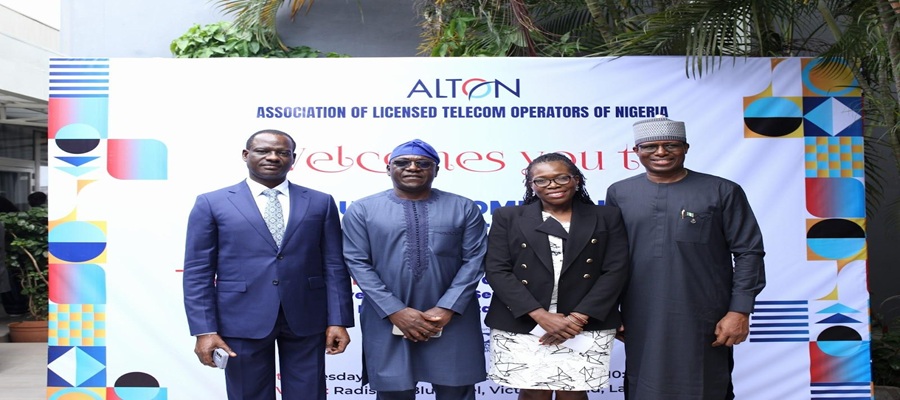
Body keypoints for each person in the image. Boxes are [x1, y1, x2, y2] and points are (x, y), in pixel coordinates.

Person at [182, 129, 354, 400]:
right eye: (263, 151)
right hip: (240, 319)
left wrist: (339, 320)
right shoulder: (212, 203)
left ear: (293, 158)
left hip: (307, 317)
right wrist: (204, 330)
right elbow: (198, 272)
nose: (273, 157)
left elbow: (334, 265)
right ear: (246, 154)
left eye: (282, 152)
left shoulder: (320, 202)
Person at [605, 116, 766, 399]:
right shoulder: (620, 192)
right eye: (650, 146)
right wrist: (611, 312)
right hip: (640, 314)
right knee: (645, 386)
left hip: (705, 315)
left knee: (705, 386)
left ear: (686, 148)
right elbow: (610, 257)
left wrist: (739, 311)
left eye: (671, 145)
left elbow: (749, 252)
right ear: (636, 151)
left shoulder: (722, 190)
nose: (661, 152)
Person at [342, 139, 488, 400]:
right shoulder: (362, 209)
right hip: (387, 317)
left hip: (453, 318)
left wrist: (447, 308)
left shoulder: (463, 207)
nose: (413, 168)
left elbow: (475, 260)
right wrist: (395, 311)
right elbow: (357, 262)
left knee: (456, 392)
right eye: (402, 162)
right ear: (389, 169)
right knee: (393, 392)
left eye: (423, 163)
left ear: (436, 170)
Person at [484, 153, 629, 400]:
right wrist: (541, 316)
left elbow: (615, 269)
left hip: (585, 318)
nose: (552, 185)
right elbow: (497, 269)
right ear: (531, 185)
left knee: (573, 393)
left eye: (561, 178)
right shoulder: (508, 217)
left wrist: (577, 319)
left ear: (576, 180)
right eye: (541, 180)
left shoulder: (607, 216)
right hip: (524, 318)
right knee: (533, 392)